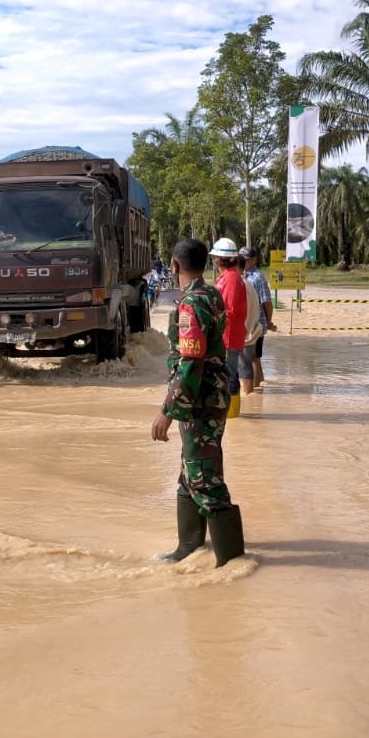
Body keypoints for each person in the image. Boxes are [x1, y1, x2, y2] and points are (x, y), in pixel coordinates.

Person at [151, 238, 245, 568]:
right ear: (205, 264)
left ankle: (232, 563)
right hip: (209, 396)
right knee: (189, 471)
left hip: (199, 400)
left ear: (174, 266)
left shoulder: (191, 303)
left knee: (204, 475)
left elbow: (190, 361)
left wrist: (167, 411)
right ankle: (188, 548)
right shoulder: (212, 294)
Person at [209, 237, 247, 418]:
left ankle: (232, 415)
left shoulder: (231, 279)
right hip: (227, 334)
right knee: (228, 374)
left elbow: (228, 310)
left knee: (230, 375)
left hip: (229, 335)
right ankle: (230, 413)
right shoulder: (226, 278)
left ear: (217, 259)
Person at [240, 246, 276, 388]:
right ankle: (259, 385)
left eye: (246, 260)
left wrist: (268, 321)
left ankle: (254, 393)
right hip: (247, 324)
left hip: (257, 324)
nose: (243, 262)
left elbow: (267, 302)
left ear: (254, 260)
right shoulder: (242, 276)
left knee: (253, 358)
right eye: (241, 259)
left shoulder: (257, 278)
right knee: (254, 358)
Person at [238, 253, 263, 396]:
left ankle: (249, 397)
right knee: (250, 364)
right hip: (251, 331)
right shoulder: (247, 284)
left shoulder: (242, 285)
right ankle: (254, 395)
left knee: (245, 367)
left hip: (245, 333)